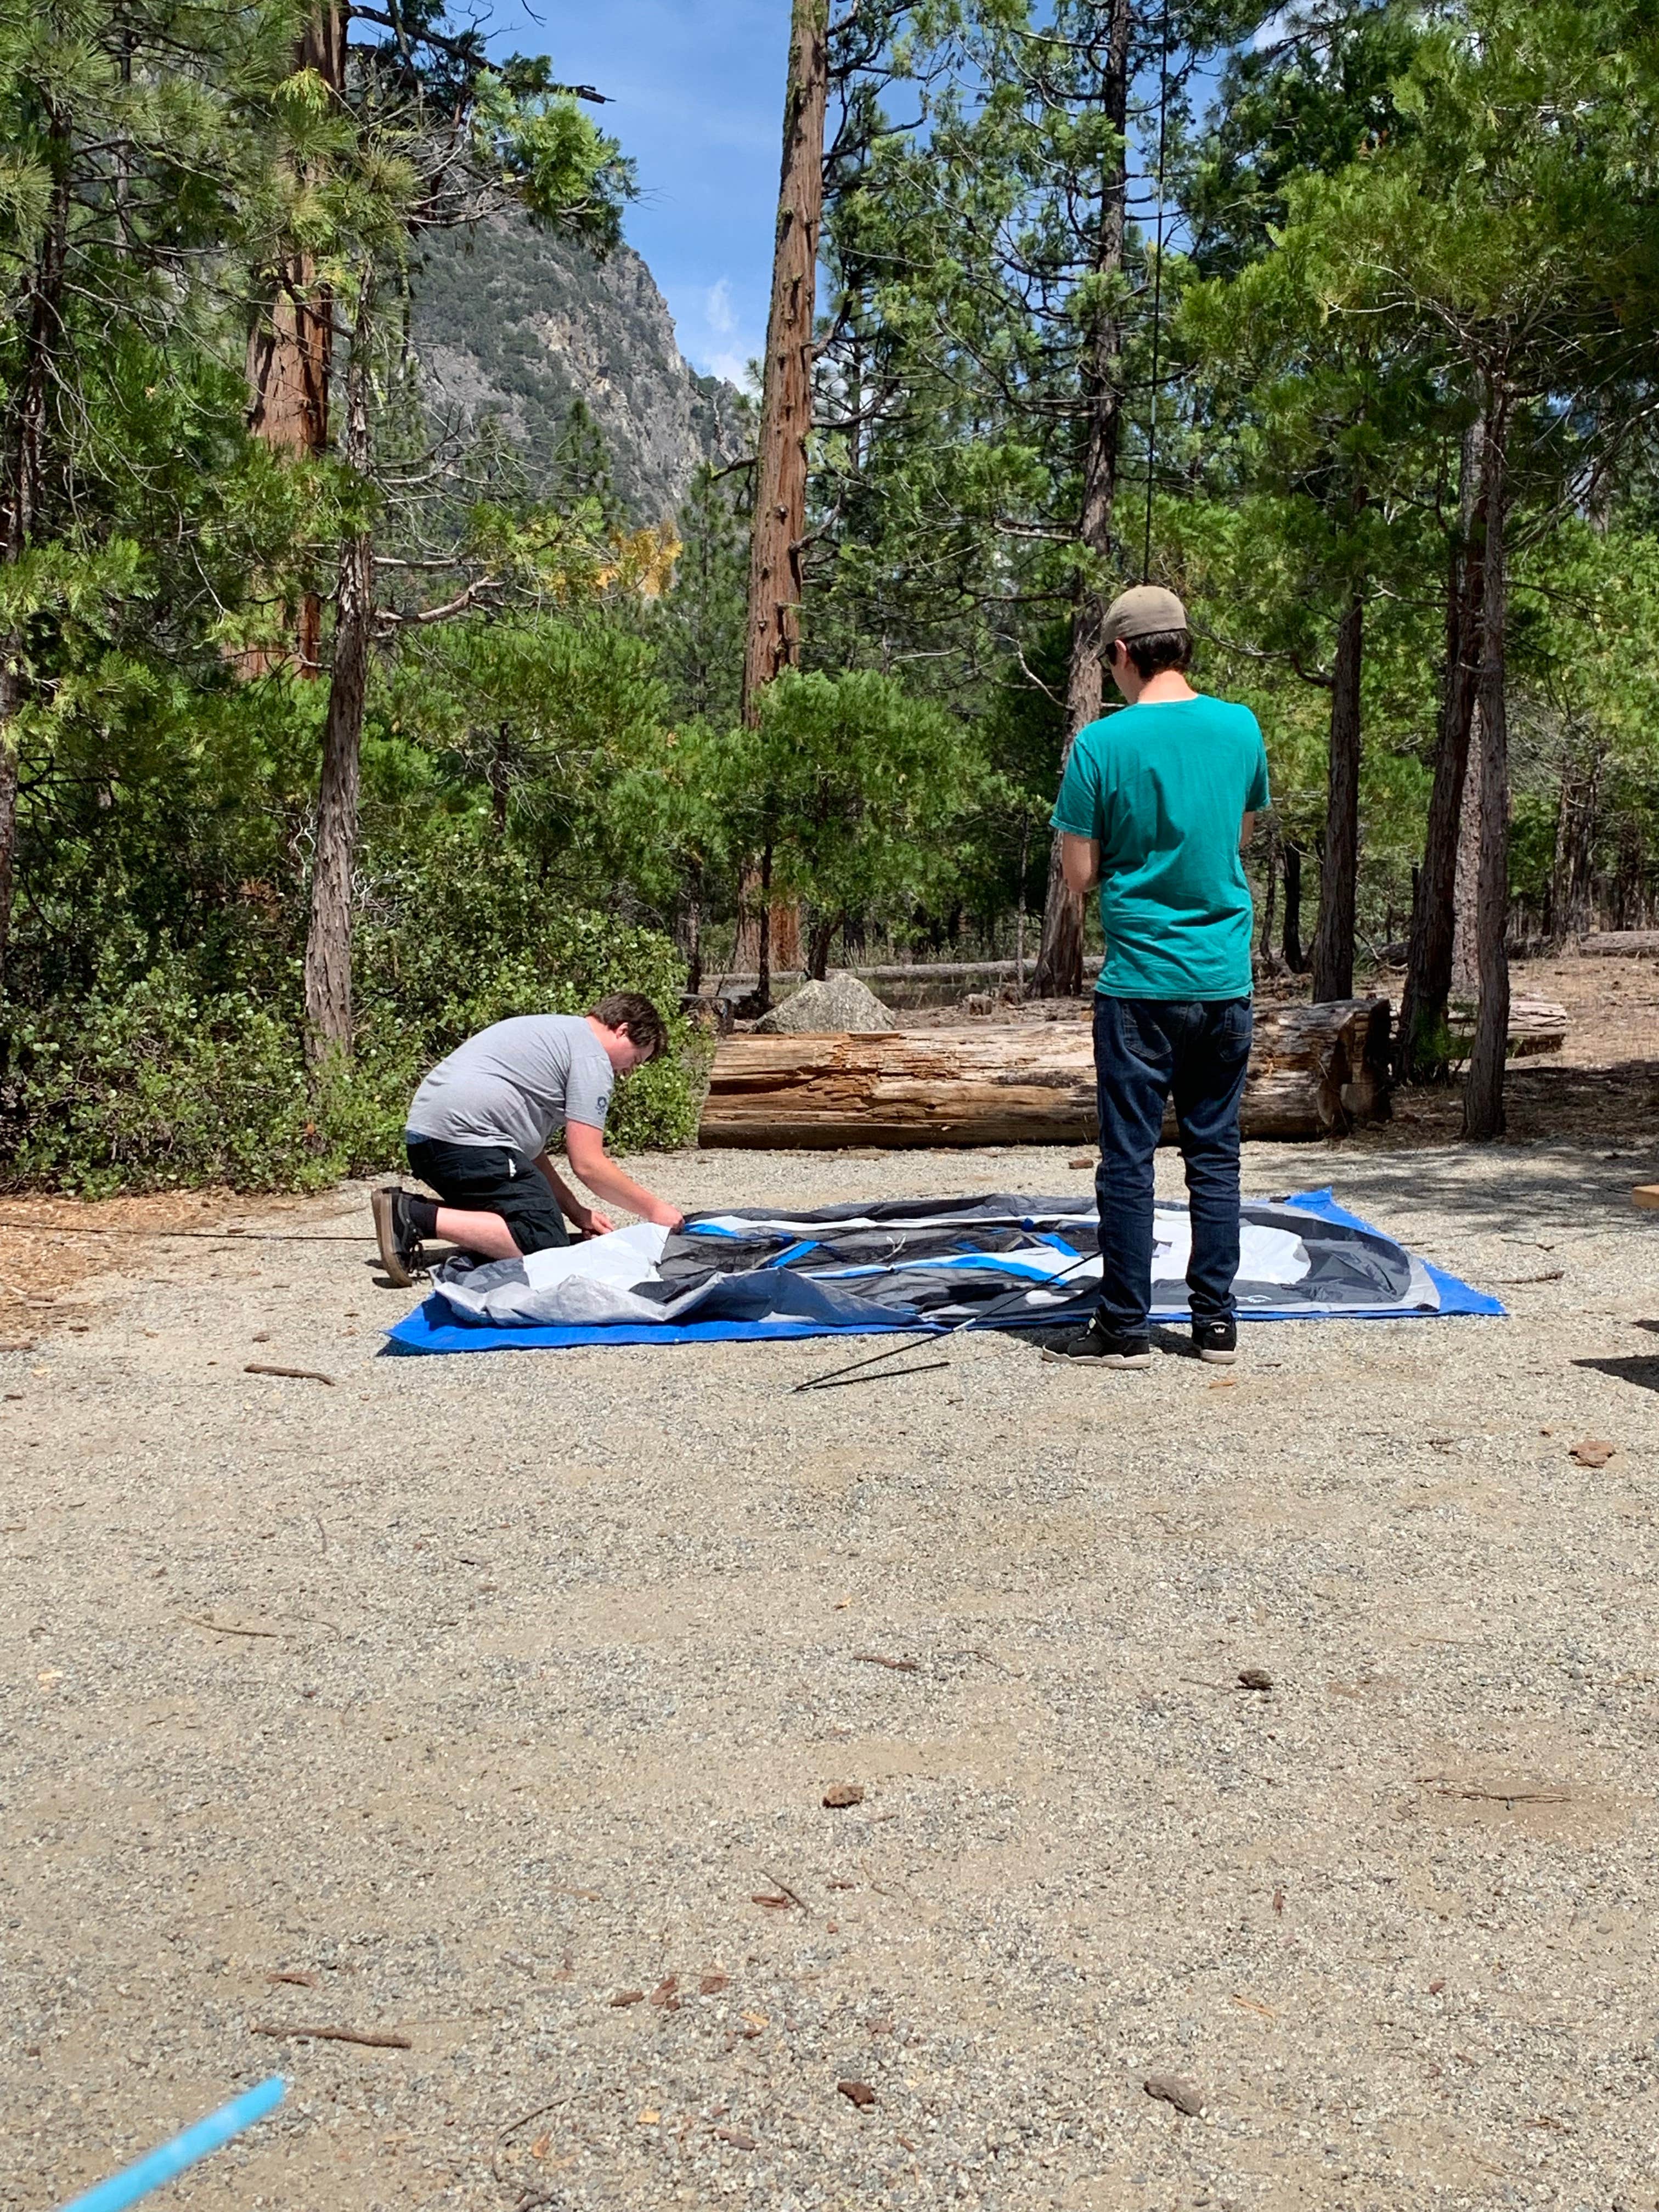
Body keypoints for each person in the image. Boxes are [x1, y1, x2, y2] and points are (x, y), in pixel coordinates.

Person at [1042, 584, 1270, 1370]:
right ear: (1183, 645)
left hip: (1140, 983)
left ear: (1122, 655)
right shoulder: (1240, 727)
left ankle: (1124, 1328)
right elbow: (1239, 836)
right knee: (1216, 1155)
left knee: (1129, 1160)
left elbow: (1079, 876)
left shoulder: (1100, 746)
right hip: (1223, 979)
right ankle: (1216, 1325)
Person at [371, 992, 685, 1287]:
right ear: (622, 1030)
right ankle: (412, 1215)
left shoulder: (558, 1034)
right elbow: (588, 1164)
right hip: (466, 1141)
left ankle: (406, 1212)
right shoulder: (592, 1057)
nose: (628, 1072)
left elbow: (529, 1156)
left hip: (429, 1143)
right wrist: (654, 1210)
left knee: (528, 1217)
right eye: (635, 1060)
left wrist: (576, 1211)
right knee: (545, 1241)